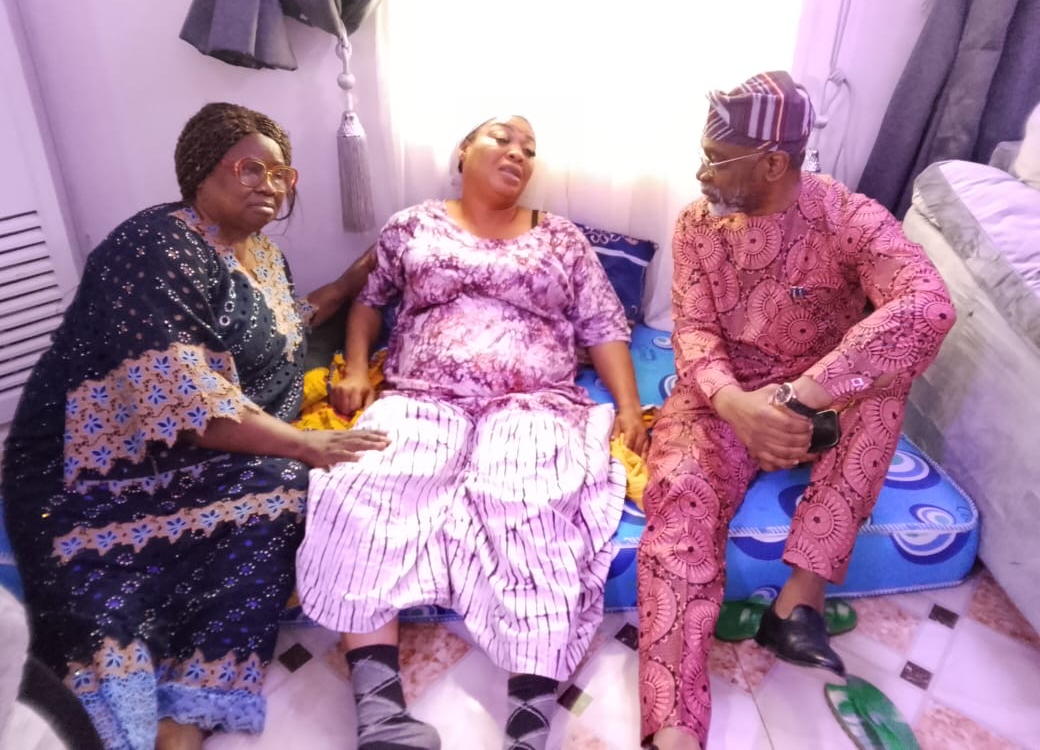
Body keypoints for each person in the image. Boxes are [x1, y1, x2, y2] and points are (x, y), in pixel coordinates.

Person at [0, 102, 389, 750]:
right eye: (249, 167)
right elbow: (181, 398)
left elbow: (292, 323)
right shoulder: (157, 243)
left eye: (281, 173)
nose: (268, 183)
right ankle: (123, 716)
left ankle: (187, 714)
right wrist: (308, 443)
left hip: (203, 453)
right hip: (96, 462)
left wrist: (352, 280)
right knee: (283, 477)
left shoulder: (262, 258)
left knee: (281, 494)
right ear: (200, 171)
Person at [295, 115, 649, 750]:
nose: (518, 153)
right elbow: (370, 301)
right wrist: (352, 370)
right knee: (362, 485)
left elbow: (603, 327)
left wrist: (626, 405)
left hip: (531, 402)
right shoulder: (413, 225)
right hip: (421, 395)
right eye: (501, 139)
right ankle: (380, 713)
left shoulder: (561, 238)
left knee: (532, 501)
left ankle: (528, 723)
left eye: (530, 149)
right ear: (463, 153)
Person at [637, 72, 956, 749]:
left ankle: (796, 602)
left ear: (775, 162)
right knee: (679, 499)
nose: (700, 172)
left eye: (717, 159)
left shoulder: (847, 217)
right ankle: (672, 728)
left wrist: (800, 397)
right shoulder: (697, 223)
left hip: (814, 396)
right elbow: (692, 333)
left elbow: (927, 306)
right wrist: (736, 404)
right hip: (720, 400)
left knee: (883, 385)